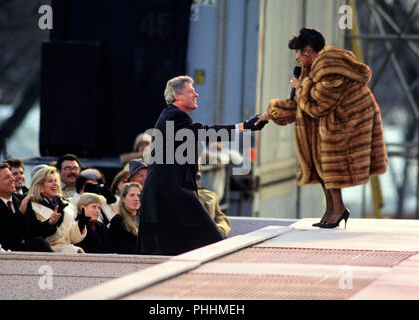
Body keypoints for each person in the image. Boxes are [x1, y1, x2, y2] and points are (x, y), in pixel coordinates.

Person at [256, 28, 388, 229]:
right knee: (321, 164)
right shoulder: (315, 69)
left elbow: (318, 105)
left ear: (308, 50)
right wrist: (271, 114)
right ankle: (333, 210)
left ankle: (338, 210)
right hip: (334, 122)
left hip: (349, 124)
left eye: (299, 53)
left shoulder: (331, 69)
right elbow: (302, 104)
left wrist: (300, 86)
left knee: (330, 165)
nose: (297, 58)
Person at [137, 75, 268, 255]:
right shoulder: (174, 116)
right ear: (177, 95)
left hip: (168, 192)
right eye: (191, 91)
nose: (196, 94)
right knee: (210, 239)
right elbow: (206, 132)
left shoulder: (173, 116)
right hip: (170, 192)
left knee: (171, 245)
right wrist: (245, 126)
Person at [0, 163, 56, 252]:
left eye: (11, 175)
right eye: (7, 177)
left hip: (28, 251)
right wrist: (20, 213)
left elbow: (34, 231)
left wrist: (49, 223)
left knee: (39, 242)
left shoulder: (22, 200)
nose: (13, 179)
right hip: (4, 255)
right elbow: (0, 237)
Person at [28, 165, 87, 253]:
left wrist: (81, 224)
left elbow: (73, 238)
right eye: (50, 181)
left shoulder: (67, 206)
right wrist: (50, 223)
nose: (55, 183)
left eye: (56, 180)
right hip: (48, 252)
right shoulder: (32, 206)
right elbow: (35, 234)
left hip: (69, 250)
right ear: (40, 186)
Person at [196, 167, 231, 239]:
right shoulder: (173, 200)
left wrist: (221, 229)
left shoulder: (209, 197)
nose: (197, 180)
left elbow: (222, 218)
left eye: (198, 177)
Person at [110, 182, 141, 254]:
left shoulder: (144, 219)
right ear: (123, 199)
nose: (136, 199)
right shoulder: (118, 220)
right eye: (132, 195)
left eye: (139, 195)